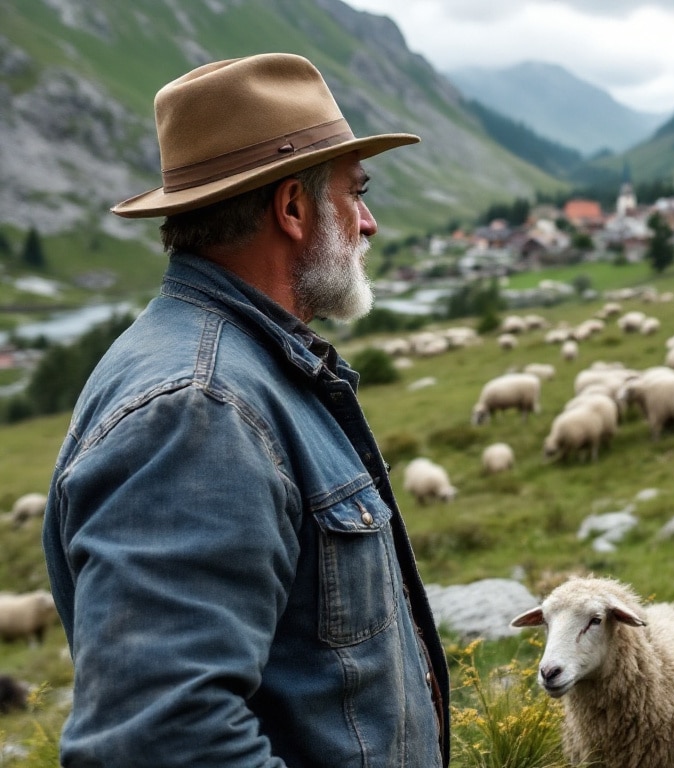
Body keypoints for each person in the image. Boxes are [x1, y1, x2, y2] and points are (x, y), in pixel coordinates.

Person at [42, 53, 449, 766]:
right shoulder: (199, 411)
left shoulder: (238, 371)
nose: (371, 223)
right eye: (355, 194)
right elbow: (158, 742)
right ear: (292, 208)